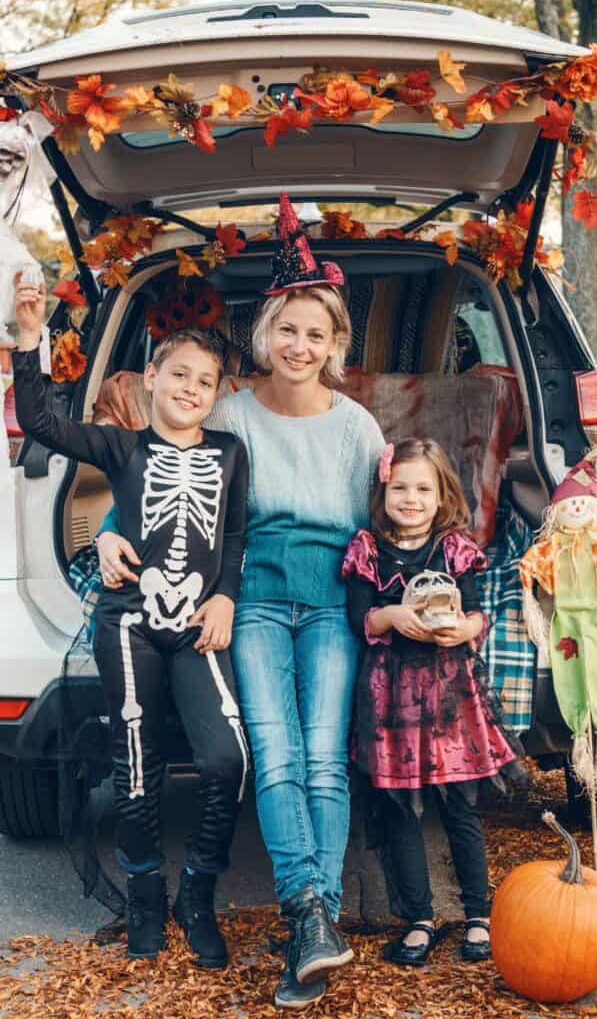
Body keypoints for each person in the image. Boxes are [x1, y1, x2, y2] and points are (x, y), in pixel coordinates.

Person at [95, 194, 385, 1008]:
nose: (299, 345)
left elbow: (379, 529)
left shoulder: (359, 428)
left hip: (330, 602)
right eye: (286, 329)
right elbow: (159, 478)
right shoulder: (226, 413)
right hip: (246, 599)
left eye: (316, 334)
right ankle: (305, 906)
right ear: (265, 336)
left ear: (334, 346)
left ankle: (313, 916)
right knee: (275, 752)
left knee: (325, 758)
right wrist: (109, 536)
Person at [12, 273, 250, 969]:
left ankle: (197, 894)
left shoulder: (230, 455)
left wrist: (226, 596)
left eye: (205, 382)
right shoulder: (123, 448)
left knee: (224, 758)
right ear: (150, 376)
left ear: (216, 393)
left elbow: (233, 537)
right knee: (137, 766)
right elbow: (42, 424)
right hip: (129, 623)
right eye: (178, 374)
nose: (189, 389)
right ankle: (146, 897)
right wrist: (30, 340)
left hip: (199, 627)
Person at [342, 438, 517, 966]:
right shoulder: (368, 548)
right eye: (400, 487)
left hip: (447, 698)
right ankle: (418, 917)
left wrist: (464, 627)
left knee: (459, 806)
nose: (411, 498)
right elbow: (359, 619)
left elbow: (479, 612)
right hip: (390, 697)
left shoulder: (455, 548)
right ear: (383, 491)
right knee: (400, 811)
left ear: (442, 496)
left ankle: (478, 915)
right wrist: (391, 616)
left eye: (423, 488)